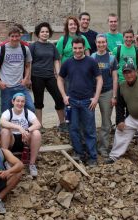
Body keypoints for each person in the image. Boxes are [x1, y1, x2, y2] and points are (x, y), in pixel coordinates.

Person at [57, 37, 103, 167]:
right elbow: (60, 79)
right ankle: (79, 154)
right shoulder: (67, 63)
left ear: (84, 48)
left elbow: (99, 79)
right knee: (73, 129)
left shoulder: (91, 62)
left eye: (79, 48)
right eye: (75, 48)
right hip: (71, 103)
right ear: (72, 48)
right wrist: (64, 96)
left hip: (87, 102)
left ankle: (92, 157)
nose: (77, 50)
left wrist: (96, 98)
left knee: (89, 130)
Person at [29, 22, 67, 133]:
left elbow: (56, 60)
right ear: (38, 33)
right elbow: (29, 62)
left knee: (59, 98)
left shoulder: (52, 46)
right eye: (42, 32)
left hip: (50, 76)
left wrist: (59, 75)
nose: (45, 34)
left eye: (46, 32)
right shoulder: (33, 46)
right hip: (36, 76)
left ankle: (62, 123)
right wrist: (29, 77)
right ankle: (39, 125)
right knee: (38, 101)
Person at [0, 26, 34, 113]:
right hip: (6, 87)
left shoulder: (25, 49)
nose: (14, 38)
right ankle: (7, 127)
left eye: (16, 36)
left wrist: (26, 79)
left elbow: (28, 66)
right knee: (5, 112)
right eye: (12, 36)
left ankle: (26, 126)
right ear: (8, 37)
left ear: (20, 36)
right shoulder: (2, 49)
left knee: (31, 108)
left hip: (20, 86)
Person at [0, 93, 42, 177]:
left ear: (24, 103)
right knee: (5, 131)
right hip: (12, 140)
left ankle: (32, 164)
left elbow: (38, 124)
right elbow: (2, 122)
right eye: (17, 101)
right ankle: (5, 160)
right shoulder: (8, 112)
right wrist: (18, 127)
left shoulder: (27, 112)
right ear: (13, 101)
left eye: (22, 101)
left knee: (36, 133)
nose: (20, 103)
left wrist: (27, 130)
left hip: (24, 139)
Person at [91, 34, 118, 157]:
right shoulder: (92, 57)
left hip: (107, 92)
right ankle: (91, 146)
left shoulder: (111, 58)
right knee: (89, 120)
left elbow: (115, 78)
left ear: (106, 43)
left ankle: (103, 147)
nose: (101, 44)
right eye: (99, 42)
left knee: (106, 122)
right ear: (96, 43)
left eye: (103, 42)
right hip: (93, 93)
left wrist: (114, 96)